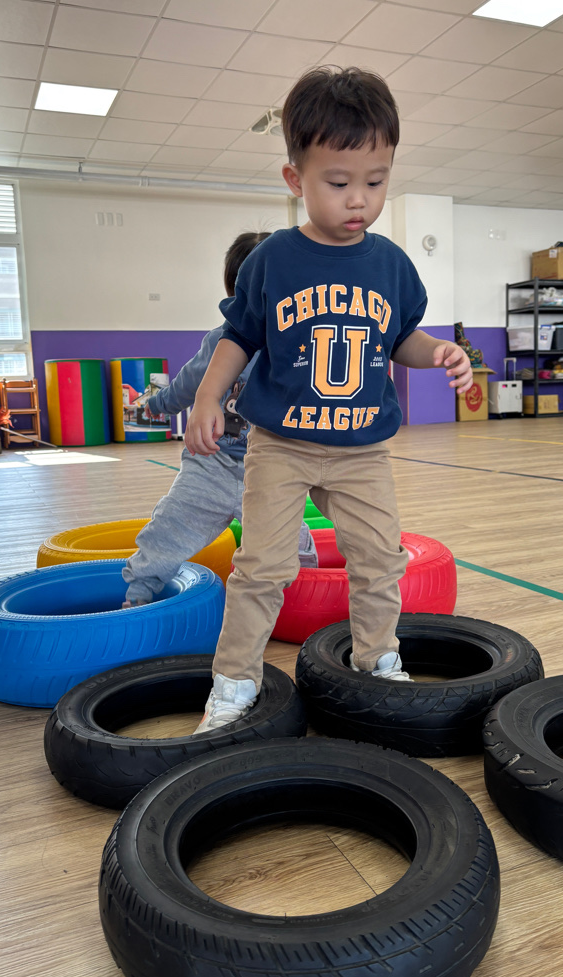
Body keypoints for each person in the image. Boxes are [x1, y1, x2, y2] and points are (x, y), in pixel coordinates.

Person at [186, 66, 473, 733]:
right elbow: (238, 336)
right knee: (262, 567)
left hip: (362, 451)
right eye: (338, 183)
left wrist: (439, 351)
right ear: (296, 178)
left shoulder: (391, 264)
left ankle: (378, 660)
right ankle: (233, 682)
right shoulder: (272, 260)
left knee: (378, 561)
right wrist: (206, 397)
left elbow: (401, 338)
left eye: (376, 182)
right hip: (280, 445)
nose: (359, 201)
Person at [121, 231, 318, 609]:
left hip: (272, 470)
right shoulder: (220, 343)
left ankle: (304, 592)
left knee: (289, 541)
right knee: (169, 529)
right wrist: (155, 406)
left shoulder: (304, 348)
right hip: (211, 465)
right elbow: (185, 386)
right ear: (236, 297)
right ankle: (139, 594)